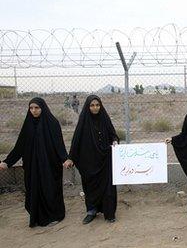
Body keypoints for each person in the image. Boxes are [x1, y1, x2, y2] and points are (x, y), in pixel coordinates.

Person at [0, 98, 68, 227]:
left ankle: (54, 216)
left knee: (50, 189)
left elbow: (59, 145)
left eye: (37, 108)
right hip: (32, 166)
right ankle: (37, 217)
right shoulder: (28, 125)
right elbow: (19, 146)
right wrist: (7, 162)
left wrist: (65, 159)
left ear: (43, 108)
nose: (34, 111)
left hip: (49, 165)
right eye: (31, 108)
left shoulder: (52, 123)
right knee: (34, 189)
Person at [65, 95, 119, 224]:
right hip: (88, 161)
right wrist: (71, 158)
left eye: (97, 105)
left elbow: (113, 135)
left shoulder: (105, 120)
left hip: (105, 159)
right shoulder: (83, 122)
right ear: (87, 107)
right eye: (92, 105)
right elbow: (76, 141)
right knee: (90, 187)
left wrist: (115, 141)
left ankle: (109, 213)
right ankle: (91, 211)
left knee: (108, 187)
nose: (95, 108)